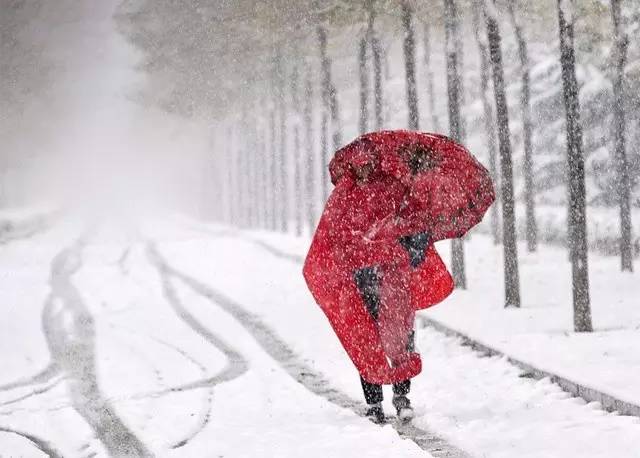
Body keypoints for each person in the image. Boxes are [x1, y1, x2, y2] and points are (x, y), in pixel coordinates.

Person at [303, 130, 494, 424]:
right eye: (359, 165)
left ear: (377, 162)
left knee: (400, 335)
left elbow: (413, 221)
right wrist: (357, 251)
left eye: (368, 164)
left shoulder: (394, 186)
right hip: (361, 276)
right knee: (366, 337)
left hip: (394, 274)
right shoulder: (346, 195)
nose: (364, 170)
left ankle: (402, 396)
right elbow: (334, 236)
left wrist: (399, 238)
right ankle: (374, 402)